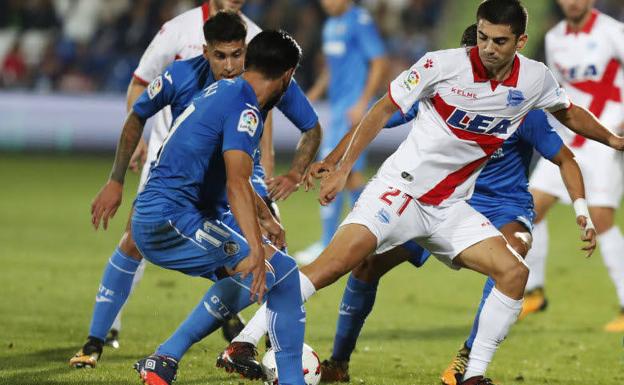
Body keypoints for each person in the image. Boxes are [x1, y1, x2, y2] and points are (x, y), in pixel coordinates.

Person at [219, 1, 624, 384]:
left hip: (450, 208)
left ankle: (473, 372)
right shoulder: (441, 65)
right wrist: (342, 167)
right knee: (331, 267)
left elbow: (568, 112)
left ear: (519, 41)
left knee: (514, 272)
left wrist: (611, 139)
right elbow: (382, 109)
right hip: (400, 194)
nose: (487, 48)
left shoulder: (535, 79)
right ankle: (242, 344)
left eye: (498, 41)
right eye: (482, 37)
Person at [70, 11, 321, 369]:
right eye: (221, 56)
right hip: (174, 193)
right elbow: (138, 108)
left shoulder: (240, 88)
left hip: (216, 194)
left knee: (270, 265)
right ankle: (102, 339)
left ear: (247, 55)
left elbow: (251, 166)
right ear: (206, 52)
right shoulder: (192, 78)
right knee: (141, 242)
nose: (230, 64)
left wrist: (273, 203)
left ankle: (218, 347)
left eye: (238, 55)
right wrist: (116, 178)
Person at [131, 30, 306, 385]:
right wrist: (257, 245)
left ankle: (164, 359)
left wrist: (263, 218)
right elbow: (237, 182)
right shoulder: (246, 107)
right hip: (169, 218)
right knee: (268, 268)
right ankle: (164, 356)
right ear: (288, 75)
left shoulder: (227, 90)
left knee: (279, 272)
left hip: (175, 212)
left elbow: (231, 172)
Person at [521, 0, 624, 331]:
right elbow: (558, 93)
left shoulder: (613, 32)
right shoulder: (554, 39)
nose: (573, 2)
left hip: (608, 138)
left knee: (603, 219)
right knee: (530, 208)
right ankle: (534, 292)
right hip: (568, 140)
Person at [295, 0, 388, 264]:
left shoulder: (359, 21)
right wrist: (313, 93)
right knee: (349, 175)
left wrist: (363, 102)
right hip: (338, 110)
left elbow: (379, 62)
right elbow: (331, 69)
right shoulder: (330, 26)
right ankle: (370, 238)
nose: (326, 3)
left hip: (354, 111)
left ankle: (332, 242)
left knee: (334, 170)